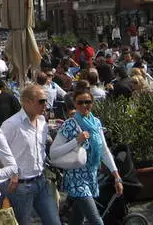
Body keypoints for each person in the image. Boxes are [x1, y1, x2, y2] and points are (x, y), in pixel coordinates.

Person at [51, 87, 123, 225]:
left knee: (77, 219)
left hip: (91, 175)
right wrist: (76, 140)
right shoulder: (69, 125)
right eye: (80, 102)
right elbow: (53, 153)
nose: (84, 105)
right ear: (74, 103)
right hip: (76, 178)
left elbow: (104, 150)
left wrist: (116, 176)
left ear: (93, 102)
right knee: (96, 220)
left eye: (88, 102)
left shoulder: (96, 122)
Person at [0, 84, 60, 225]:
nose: (45, 104)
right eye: (41, 101)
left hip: (41, 181)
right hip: (20, 186)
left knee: (54, 222)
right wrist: (12, 172)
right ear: (27, 102)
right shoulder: (11, 124)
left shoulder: (42, 122)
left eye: (46, 101)